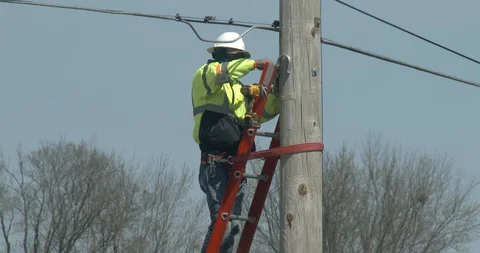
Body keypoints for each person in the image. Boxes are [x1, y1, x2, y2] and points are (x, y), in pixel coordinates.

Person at [191, 31, 280, 252]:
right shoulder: (206, 75)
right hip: (215, 166)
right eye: (236, 58)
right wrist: (254, 64)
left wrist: (277, 93)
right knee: (223, 223)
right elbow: (223, 71)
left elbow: (265, 112)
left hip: (236, 165)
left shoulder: (236, 90)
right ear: (223, 56)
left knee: (233, 227)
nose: (237, 63)